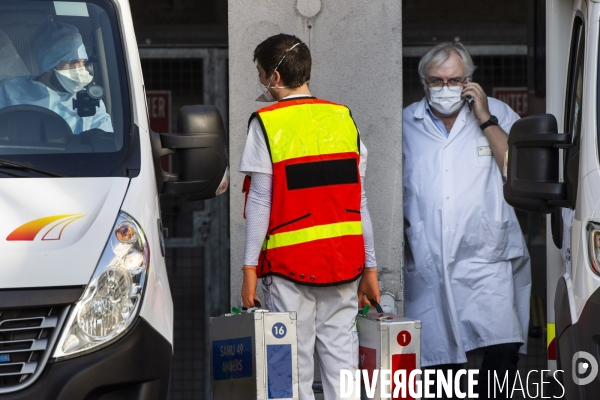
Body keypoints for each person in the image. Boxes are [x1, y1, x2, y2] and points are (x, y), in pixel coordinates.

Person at [239, 33, 380, 400]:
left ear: (274, 77)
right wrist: (371, 269)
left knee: (289, 373)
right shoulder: (342, 118)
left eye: (259, 73)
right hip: (345, 266)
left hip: (288, 268)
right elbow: (359, 201)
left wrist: (249, 270)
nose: (260, 82)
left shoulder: (266, 123)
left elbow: (259, 200)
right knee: (343, 368)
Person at [402, 42, 531, 399]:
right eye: (437, 81)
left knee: (501, 348)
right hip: (429, 262)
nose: (445, 88)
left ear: (469, 82)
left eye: (454, 80)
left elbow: (516, 171)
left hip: (486, 258)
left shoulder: (498, 114)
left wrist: (484, 118)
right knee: (439, 361)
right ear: (424, 83)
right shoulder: (405, 122)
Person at [0, 21, 112, 134]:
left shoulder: (89, 100)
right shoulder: (8, 90)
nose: (81, 70)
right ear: (49, 65)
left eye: (83, 63)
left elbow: (105, 140)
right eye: (73, 63)